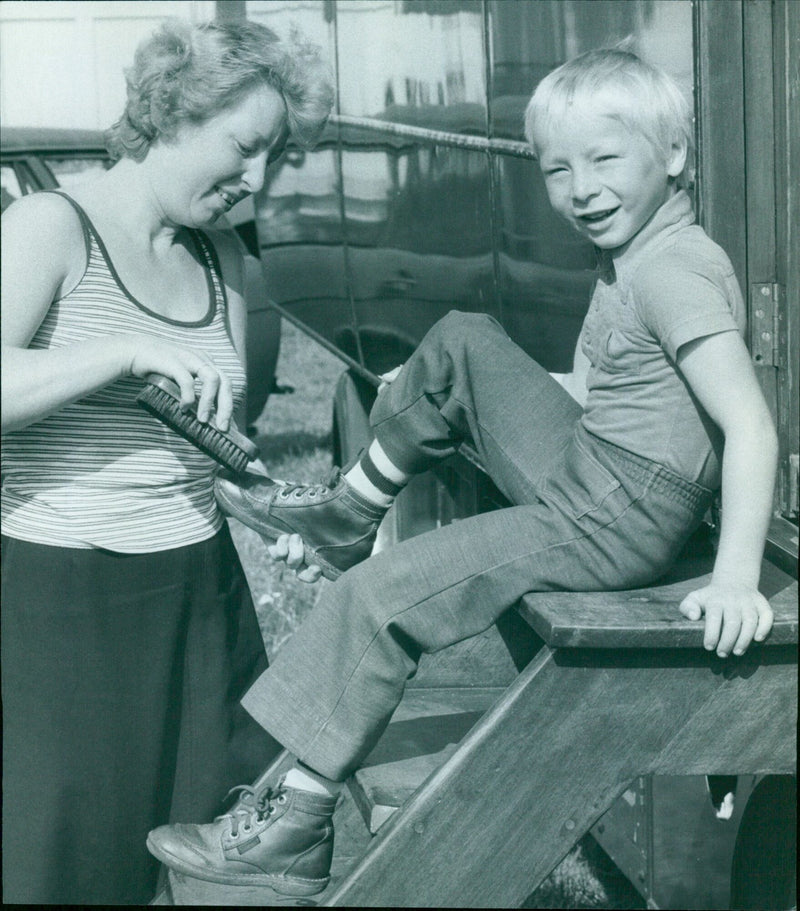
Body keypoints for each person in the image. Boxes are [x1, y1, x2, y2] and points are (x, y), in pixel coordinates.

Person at [146, 46, 777, 898]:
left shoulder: (673, 272)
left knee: (379, 596)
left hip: (618, 513)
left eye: (603, 160)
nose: (580, 189)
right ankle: (349, 510)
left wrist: (739, 577)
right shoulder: (633, 251)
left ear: (672, 155)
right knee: (463, 339)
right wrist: (473, 396)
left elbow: (749, 425)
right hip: (598, 465)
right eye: (556, 169)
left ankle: (292, 825)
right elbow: (596, 393)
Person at [0, 19, 333, 905]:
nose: (256, 180)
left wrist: (274, 516)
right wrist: (120, 353)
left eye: (277, 159)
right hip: (64, 606)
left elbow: (206, 450)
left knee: (206, 877)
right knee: (64, 869)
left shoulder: (221, 258)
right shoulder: (50, 225)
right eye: (245, 147)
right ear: (175, 111)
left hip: (202, 602)